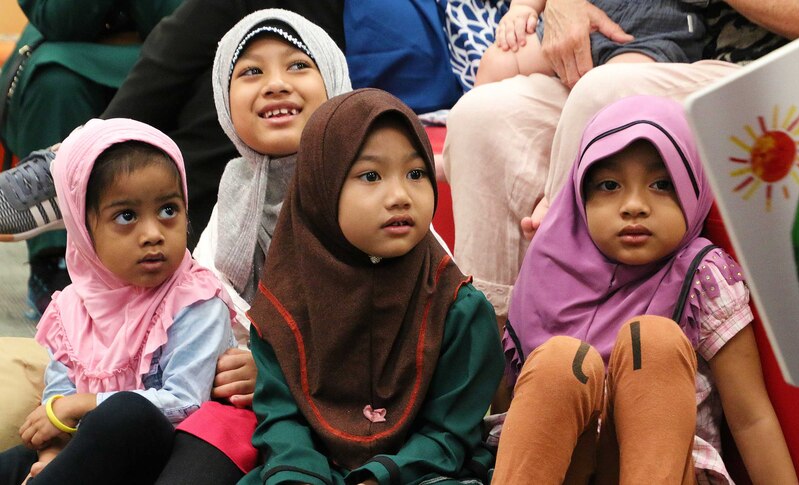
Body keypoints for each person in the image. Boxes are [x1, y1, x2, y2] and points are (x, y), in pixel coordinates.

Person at [443, 0, 799, 338]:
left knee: (604, 94)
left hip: (769, 74)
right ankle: (489, 367)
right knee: (481, 117)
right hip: (654, 55)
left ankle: (565, 324)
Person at [491, 95, 796, 484]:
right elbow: (515, 412)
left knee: (652, 343)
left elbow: (751, 418)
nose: (634, 205)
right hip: (567, 466)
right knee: (559, 363)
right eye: (609, 185)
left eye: (661, 183)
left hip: (665, 467)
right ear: (580, 195)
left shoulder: (703, 275)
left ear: (693, 187)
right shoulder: (546, 267)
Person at [241, 88, 504, 484]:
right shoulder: (284, 307)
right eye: (370, 175)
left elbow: (450, 433)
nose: (400, 196)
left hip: (422, 474)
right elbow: (281, 423)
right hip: (309, 473)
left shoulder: (458, 307)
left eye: (416, 174)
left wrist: (379, 476)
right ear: (321, 189)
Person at [159, 9, 353, 482]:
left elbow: (408, 317)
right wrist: (237, 366)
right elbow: (207, 302)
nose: (275, 84)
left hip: (358, 403)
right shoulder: (232, 196)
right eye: (250, 72)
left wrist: (274, 369)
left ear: (334, 77)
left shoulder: (369, 182)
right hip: (248, 409)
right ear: (225, 104)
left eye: (298, 65)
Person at [0, 118, 234, 484]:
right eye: (126, 216)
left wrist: (84, 404)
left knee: (127, 413)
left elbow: (187, 401)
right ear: (83, 229)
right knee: (15, 459)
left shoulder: (196, 299)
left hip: (164, 456)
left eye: (169, 210)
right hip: (87, 452)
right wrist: (50, 455)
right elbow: (57, 399)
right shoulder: (71, 308)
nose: (153, 234)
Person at [0, 0, 182, 319]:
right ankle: (54, 259)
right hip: (65, 51)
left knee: (194, 69)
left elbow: (183, 18)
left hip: (171, 50)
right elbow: (60, 21)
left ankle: (172, 255)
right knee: (54, 80)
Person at [474, 0, 705, 86]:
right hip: (575, 14)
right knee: (497, 62)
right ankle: (458, 155)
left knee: (612, 87)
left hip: (651, 33)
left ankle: (570, 179)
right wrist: (523, 8)